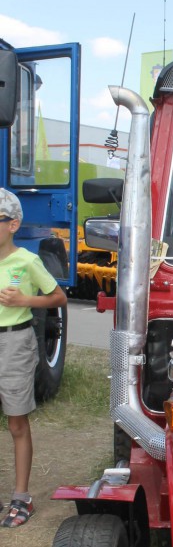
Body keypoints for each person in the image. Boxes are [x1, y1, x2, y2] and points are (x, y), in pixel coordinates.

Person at [0, 189, 67, 528]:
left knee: (16, 422)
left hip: (14, 343)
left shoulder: (26, 261)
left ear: (13, 224)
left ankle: (21, 497)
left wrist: (24, 300)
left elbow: (58, 297)